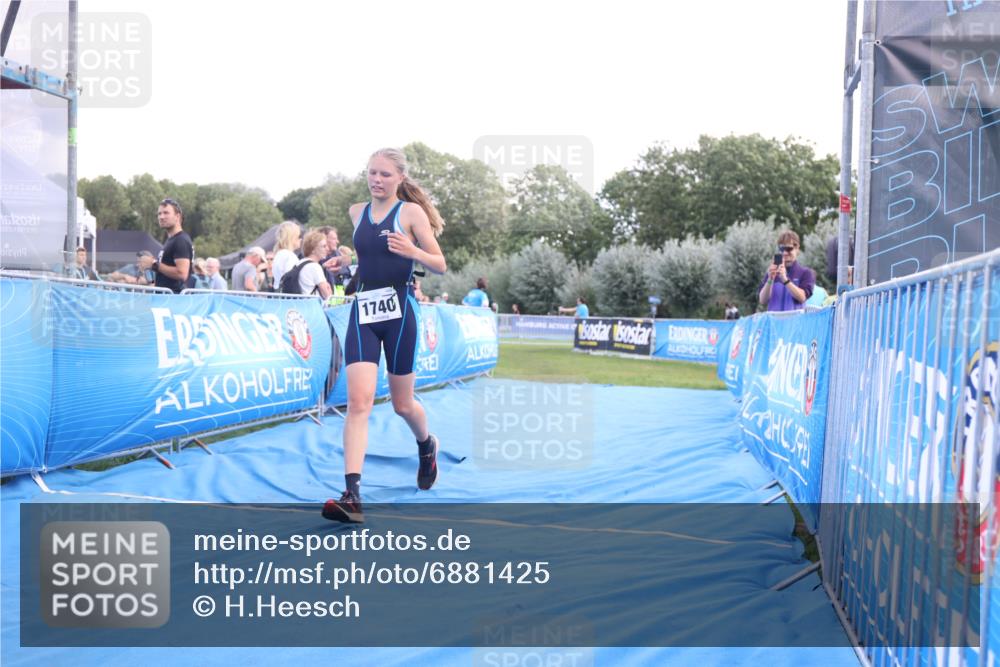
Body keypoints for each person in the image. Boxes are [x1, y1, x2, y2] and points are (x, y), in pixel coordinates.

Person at [322, 147, 447, 524]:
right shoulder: (357, 212)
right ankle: (353, 494)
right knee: (358, 403)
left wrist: (413, 250)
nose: (376, 179)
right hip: (364, 309)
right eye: (372, 173)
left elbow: (439, 263)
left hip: (401, 311)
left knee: (402, 404)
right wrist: (349, 261)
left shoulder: (411, 213)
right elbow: (375, 256)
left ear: (400, 179)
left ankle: (426, 445)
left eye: (385, 175)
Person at [137, 198, 193, 294]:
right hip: (165, 298)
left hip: (173, 300)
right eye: (159, 214)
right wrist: (151, 272)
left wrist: (154, 264)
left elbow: (182, 273)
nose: (161, 217)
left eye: (166, 213)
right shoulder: (171, 240)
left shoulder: (181, 240)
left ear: (177, 216)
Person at [758, 230, 815, 312]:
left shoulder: (806, 273)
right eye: (782, 249)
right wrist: (770, 280)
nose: (784, 253)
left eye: (788, 249)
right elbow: (762, 300)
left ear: (797, 248)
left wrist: (785, 279)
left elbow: (802, 297)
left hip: (795, 323)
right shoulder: (771, 273)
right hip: (774, 323)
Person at [283, 230, 333, 298]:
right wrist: (329, 288)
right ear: (313, 249)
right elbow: (327, 295)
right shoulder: (315, 267)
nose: (327, 249)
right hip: (310, 305)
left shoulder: (299, 263)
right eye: (324, 246)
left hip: (299, 304)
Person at [271, 221, 302, 287]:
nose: (301, 239)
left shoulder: (280, 254)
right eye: (298, 236)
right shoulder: (289, 256)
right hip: (288, 295)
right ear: (292, 237)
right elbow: (290, 280)